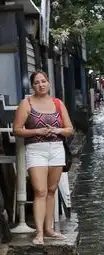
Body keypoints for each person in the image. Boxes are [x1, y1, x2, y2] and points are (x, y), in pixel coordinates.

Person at [13, 71, 73, 245]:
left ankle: (49, 229)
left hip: (56, 148)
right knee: (40, 191)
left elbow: (69, 129)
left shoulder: (57, 103)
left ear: (49, 83)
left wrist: (58, 130)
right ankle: (39, 232)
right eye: (37, 82)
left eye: (44, 81)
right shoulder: (27, 103)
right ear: (32, 85)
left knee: (52, 190)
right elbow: (17, 129)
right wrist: (36, 131)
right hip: (35, 149)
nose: (41, 85)